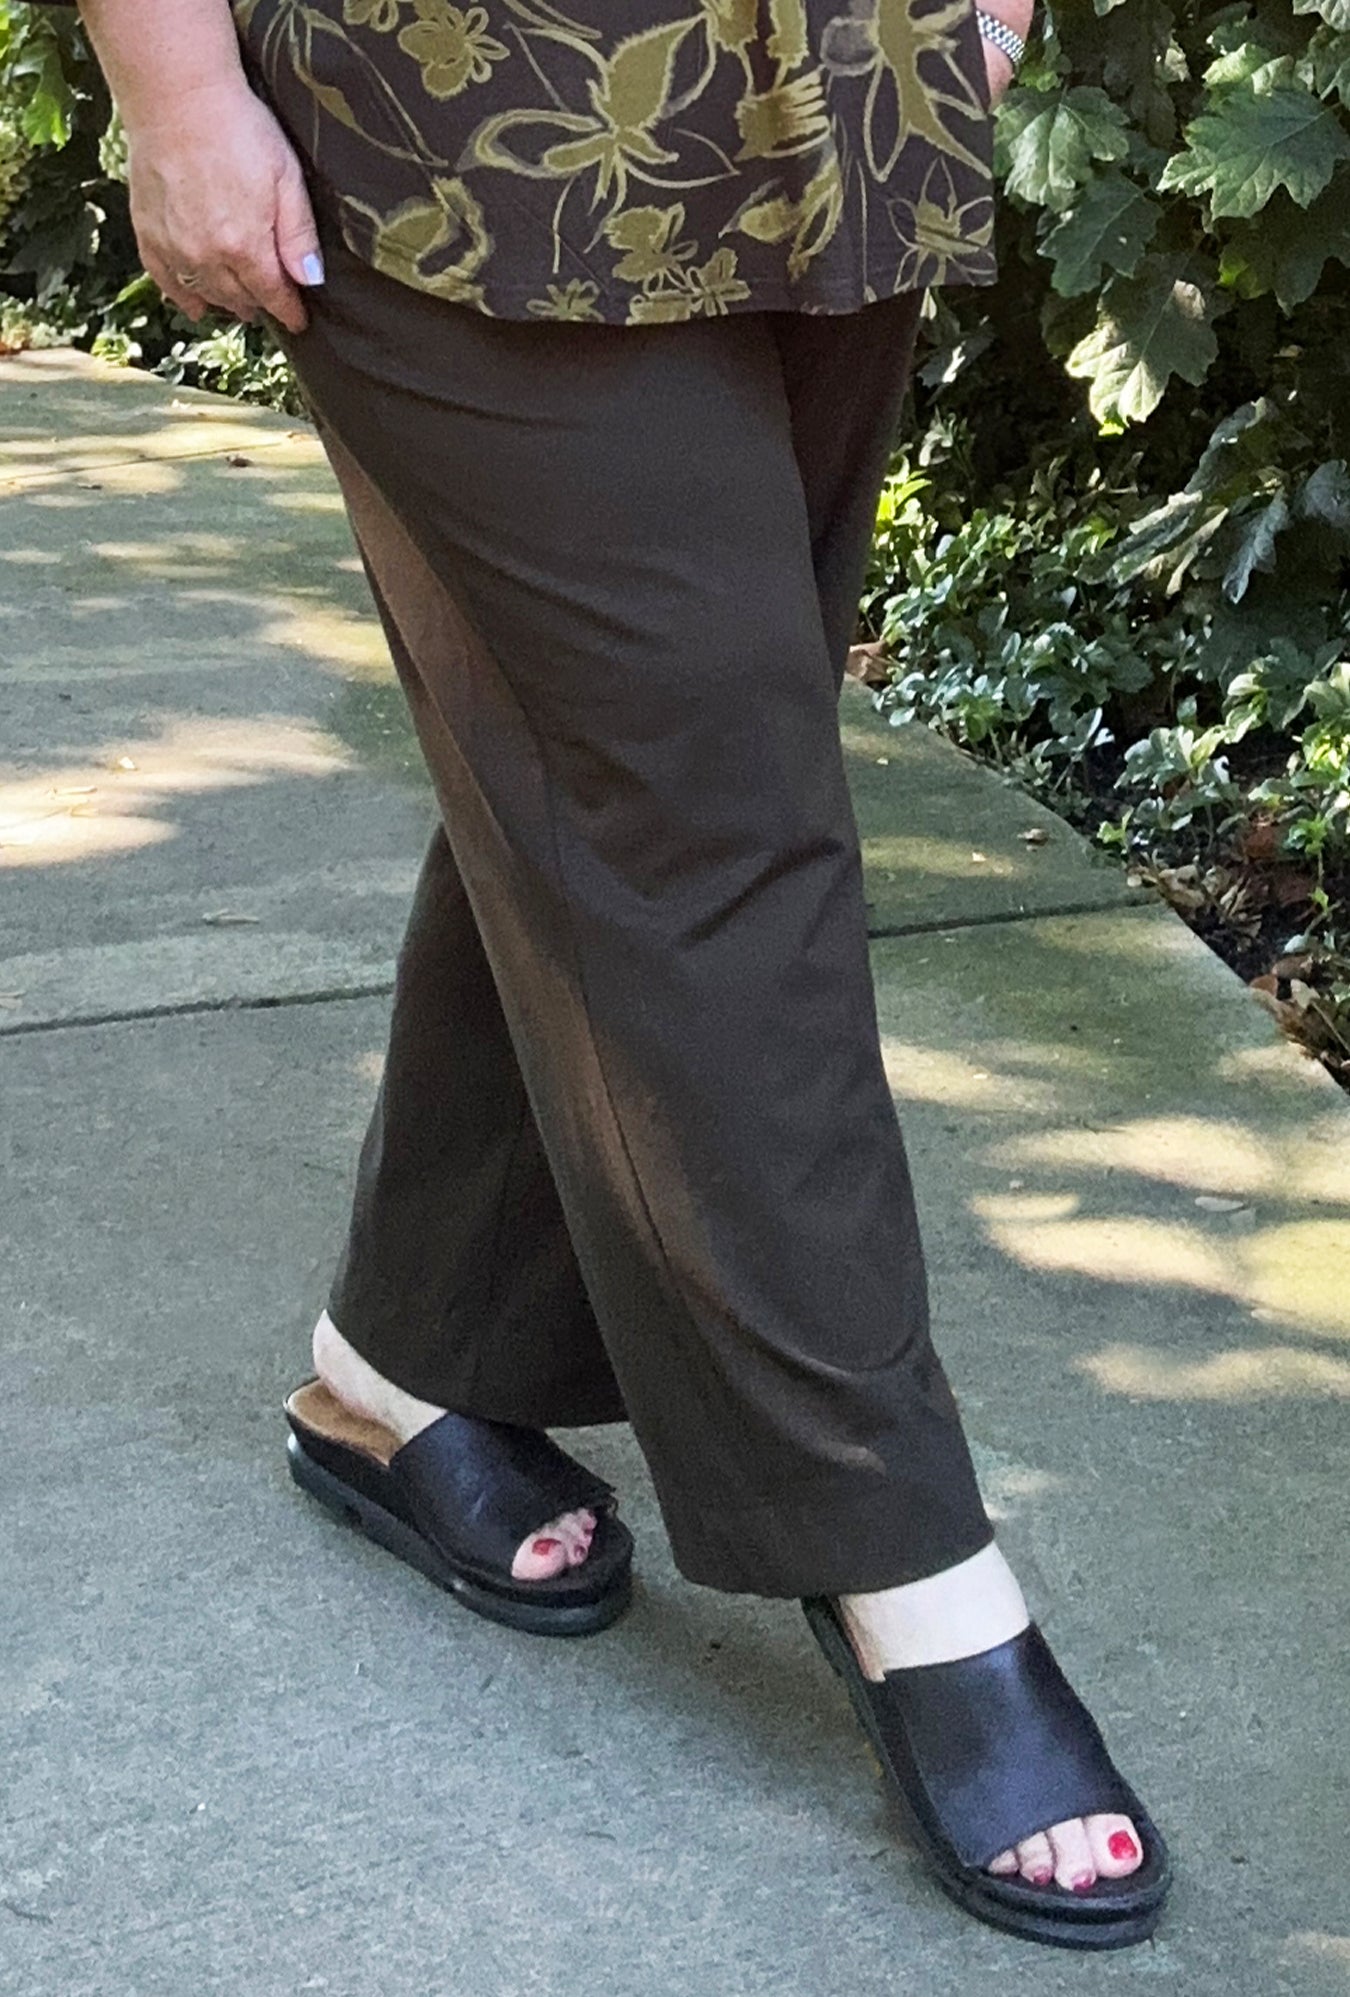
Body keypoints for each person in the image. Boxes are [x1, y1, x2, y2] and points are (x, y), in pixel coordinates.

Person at [73, 0, 1170, 1951]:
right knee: (704, 815)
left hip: (844, 93)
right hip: (464, 119)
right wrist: (176, 84)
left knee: (625, 769)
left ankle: (408, 1364)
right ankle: (908, 1567)